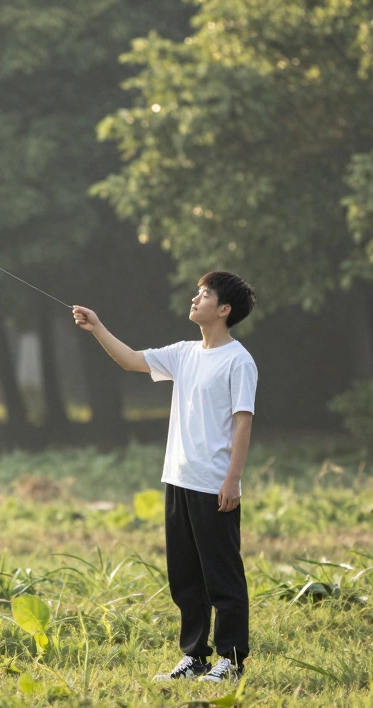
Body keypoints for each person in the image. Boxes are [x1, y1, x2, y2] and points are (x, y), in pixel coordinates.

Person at [72, 270, 257, 683]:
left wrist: (233, 479)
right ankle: (195, 657)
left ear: (224, 309)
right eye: (198, 292)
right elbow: (130, 359)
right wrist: (97, 326)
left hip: (214, 485)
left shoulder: (239, 361)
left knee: (222, 576)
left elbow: (243, 422)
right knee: (185, 577)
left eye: (204, 294)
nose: (195, 299)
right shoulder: (183, 353)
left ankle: (231, 660)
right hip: (178, 479)